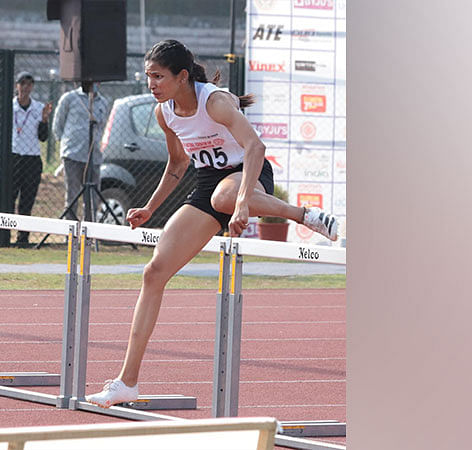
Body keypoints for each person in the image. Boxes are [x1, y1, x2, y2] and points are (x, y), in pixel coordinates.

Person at [85, 40, 339, 408]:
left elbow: (255, 148)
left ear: (182, 76)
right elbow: (177, 165)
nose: (151, 84)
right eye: (147, 77)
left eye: (158, 77)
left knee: (224, 197)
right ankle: (127, 382)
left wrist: (241, 203)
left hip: (246, 175)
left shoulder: (215, 102)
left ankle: (305, 215)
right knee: (154, 272)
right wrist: (150, 207)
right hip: (207, 185)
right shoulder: (164, 113)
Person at [52, 81, 110, 220]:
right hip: (73, 155)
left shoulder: (103, 102)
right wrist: (67, 144)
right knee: (72, 196)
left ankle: (88, 236)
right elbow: (57, 125)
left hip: (93, 156)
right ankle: (71, 236)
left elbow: (102, 128)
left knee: (92, 199)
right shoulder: (70, 98)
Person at [11, 71, 52, 245]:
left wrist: (44, 120)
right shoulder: (9, 106)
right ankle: (2, 237)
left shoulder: (38, 108)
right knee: (7, 199)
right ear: (16, 86)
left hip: (32, 158)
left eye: (29, 84)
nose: (26, 88)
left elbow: (43, 138)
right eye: (22, 84)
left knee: (26, 201)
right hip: (13, 157)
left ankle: (23, 238)